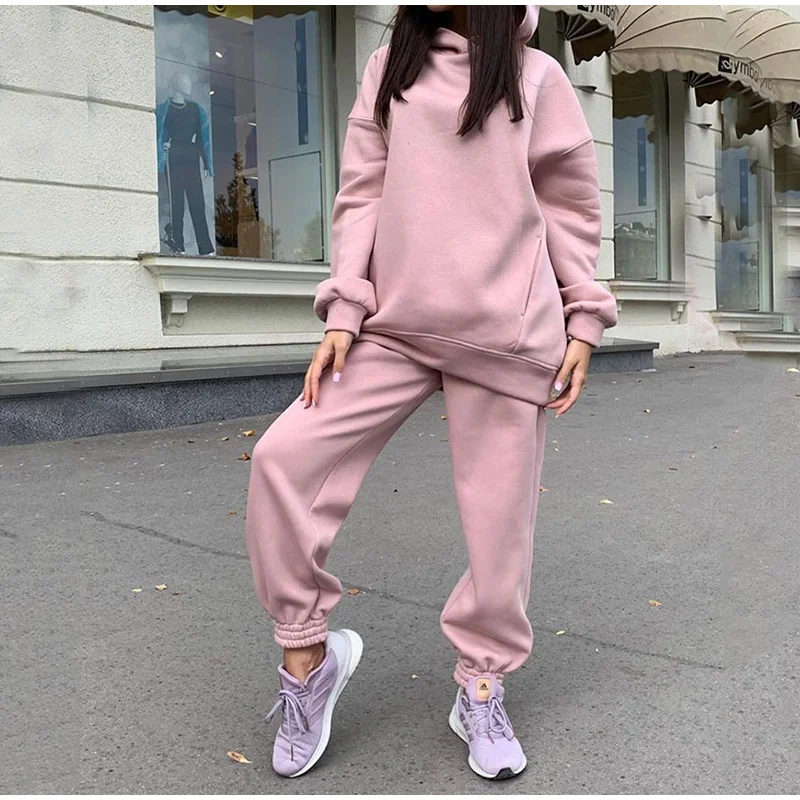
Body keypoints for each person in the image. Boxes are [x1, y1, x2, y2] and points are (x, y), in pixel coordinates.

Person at [245, 4, 617, 781]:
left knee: (498, 527)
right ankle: (308, 655)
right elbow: (362, 193)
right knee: (284, 459)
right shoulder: (390, 69)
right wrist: (343, 310)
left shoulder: (538, 77)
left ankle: (481, 683)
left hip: (507, 333)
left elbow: (570, 206)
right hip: (394, 324)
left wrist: (584, 316)